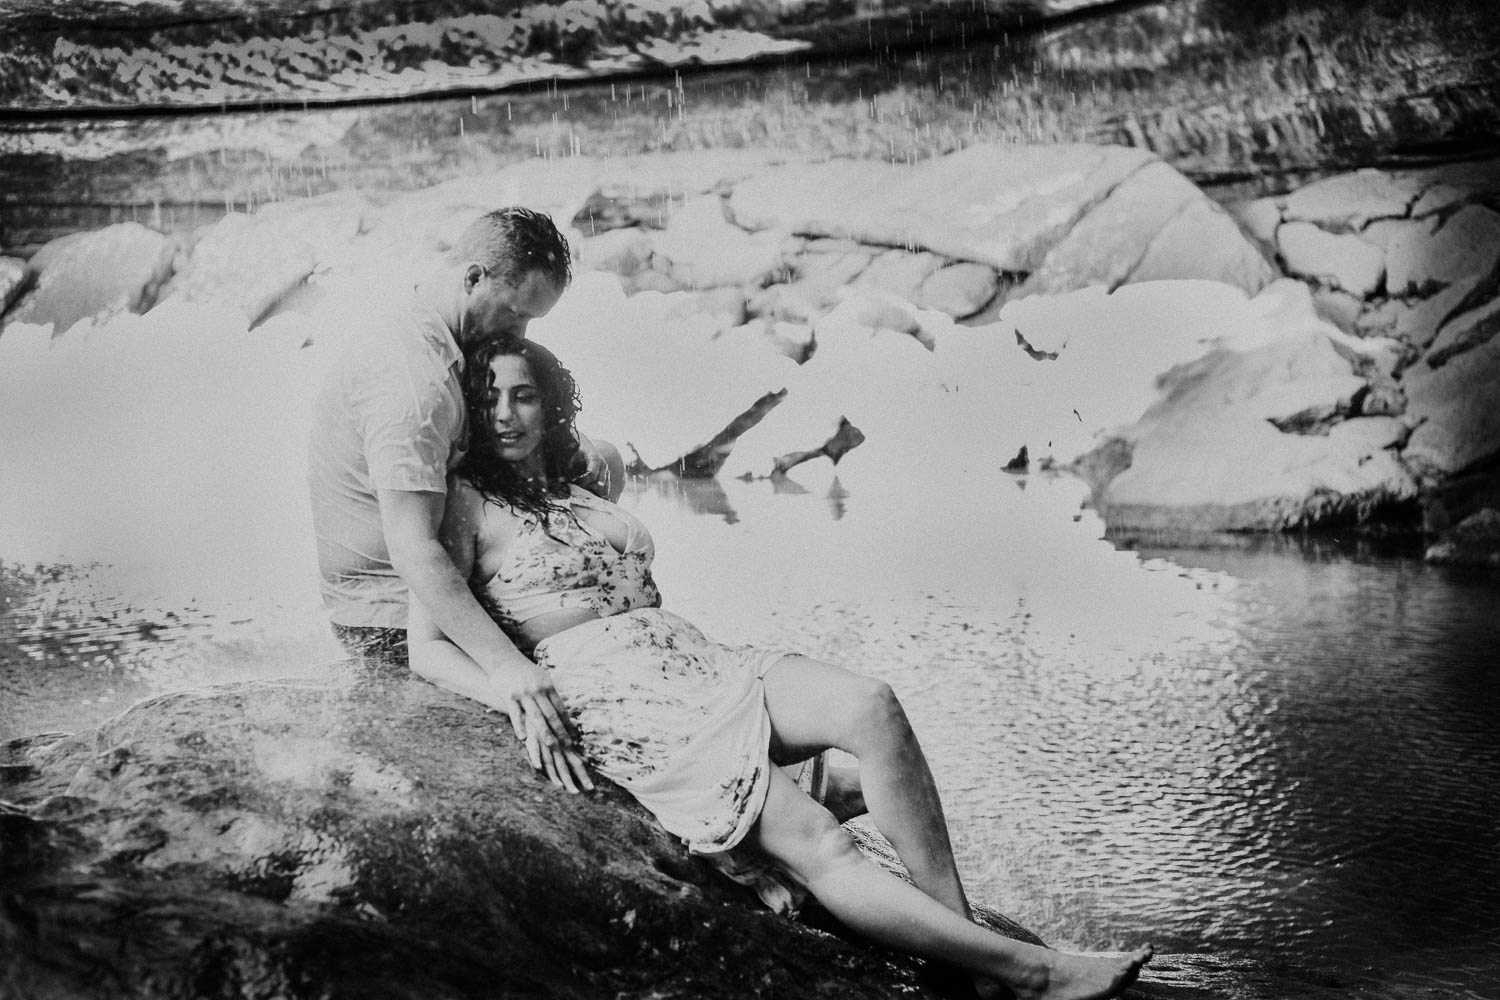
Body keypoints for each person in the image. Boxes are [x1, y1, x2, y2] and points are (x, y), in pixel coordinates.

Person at [407, 337, 1154, 1000]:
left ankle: (962, 943)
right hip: (614, 700)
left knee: (872, 705)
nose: (506, 414)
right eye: (489, 399)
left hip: (692, 661)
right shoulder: (464, 506)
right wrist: (514, 694)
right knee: (819, 839)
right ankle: (1031, 972)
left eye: (524, 394)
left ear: (551, 405)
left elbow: (604, 468)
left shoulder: (583, 484)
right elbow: (427, 648)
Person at [307, 207, 621, 661]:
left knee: (603, 463)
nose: (520, 334)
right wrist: (507, 669)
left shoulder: (437, 327)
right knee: (602, 639)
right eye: (515, 315)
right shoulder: (412, 382)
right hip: (391, 616)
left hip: (444, 571)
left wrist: (566, 441)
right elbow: (413, 547)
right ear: (473, 278)